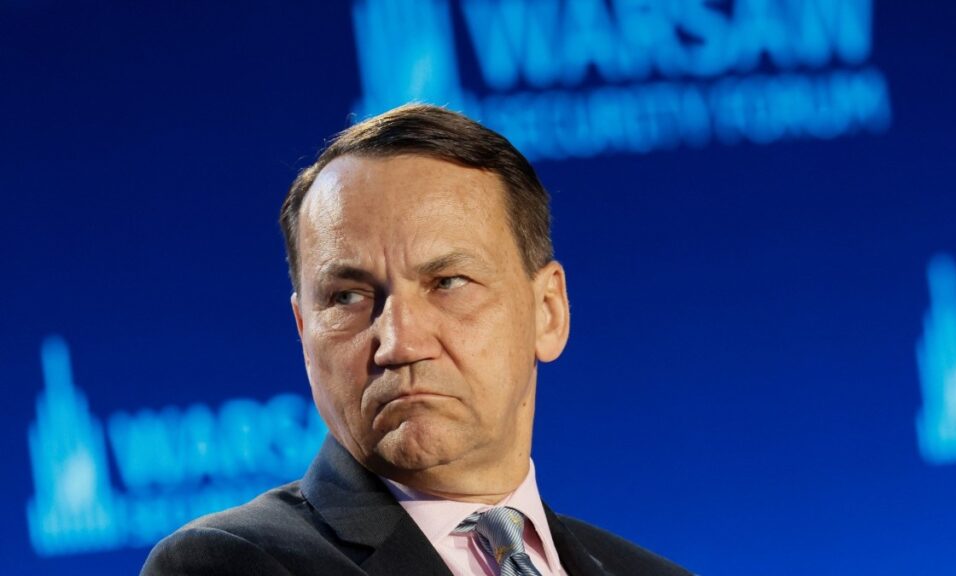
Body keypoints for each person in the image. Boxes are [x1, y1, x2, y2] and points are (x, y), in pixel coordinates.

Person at [141, 104, 692, 576]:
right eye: (347, 298)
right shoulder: (231, 563)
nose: (399, 342)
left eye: (448, 283)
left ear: (547, 311)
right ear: (304, 333)